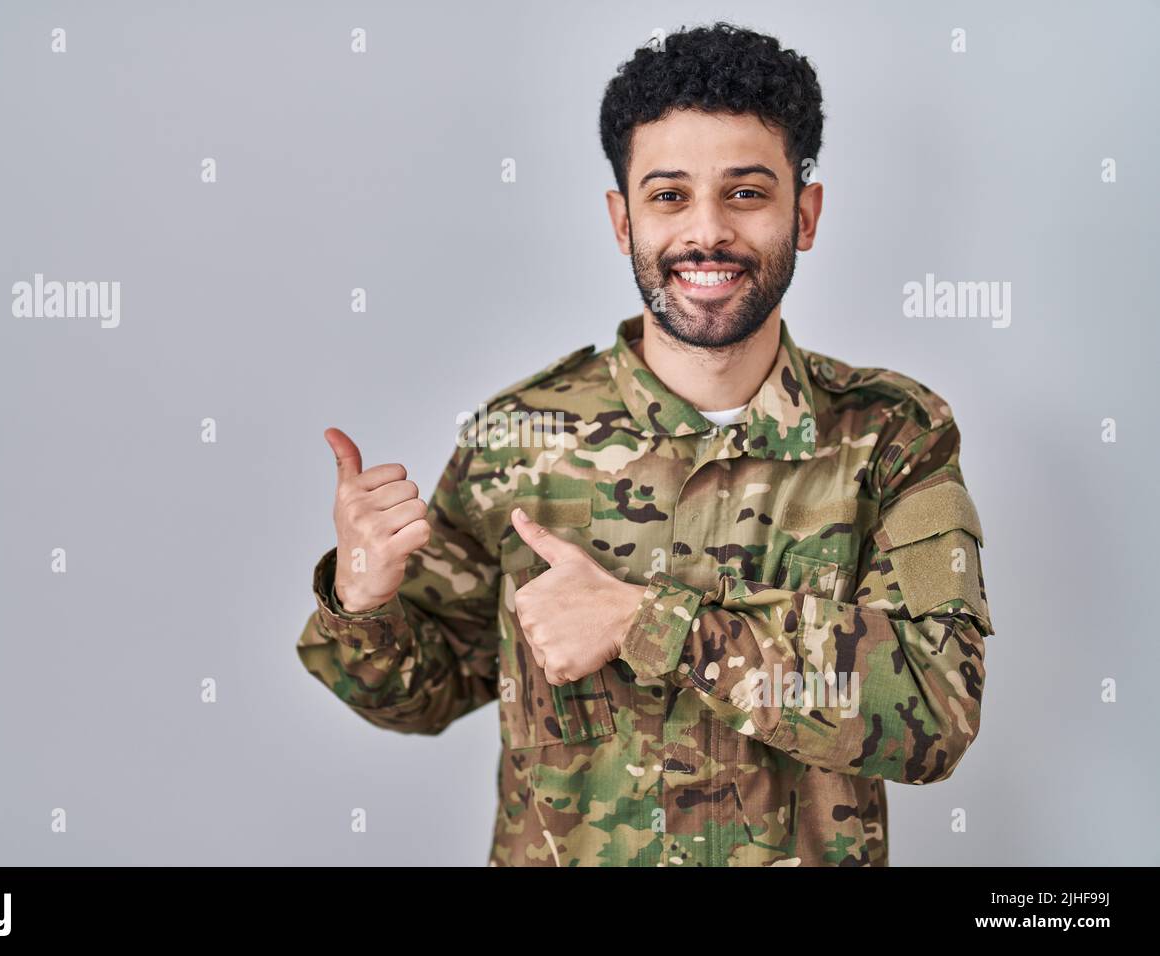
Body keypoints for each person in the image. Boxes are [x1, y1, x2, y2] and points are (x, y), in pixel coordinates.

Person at [297, 21, 993, 866]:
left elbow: (934, 713)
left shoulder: (892, 434)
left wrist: (648, 621)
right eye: (669, 196)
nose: (707, 233)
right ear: (622, 221)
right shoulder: (519, 441)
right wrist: (363, 601)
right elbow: (423, 695)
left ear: (803, 214)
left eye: (746, 192)